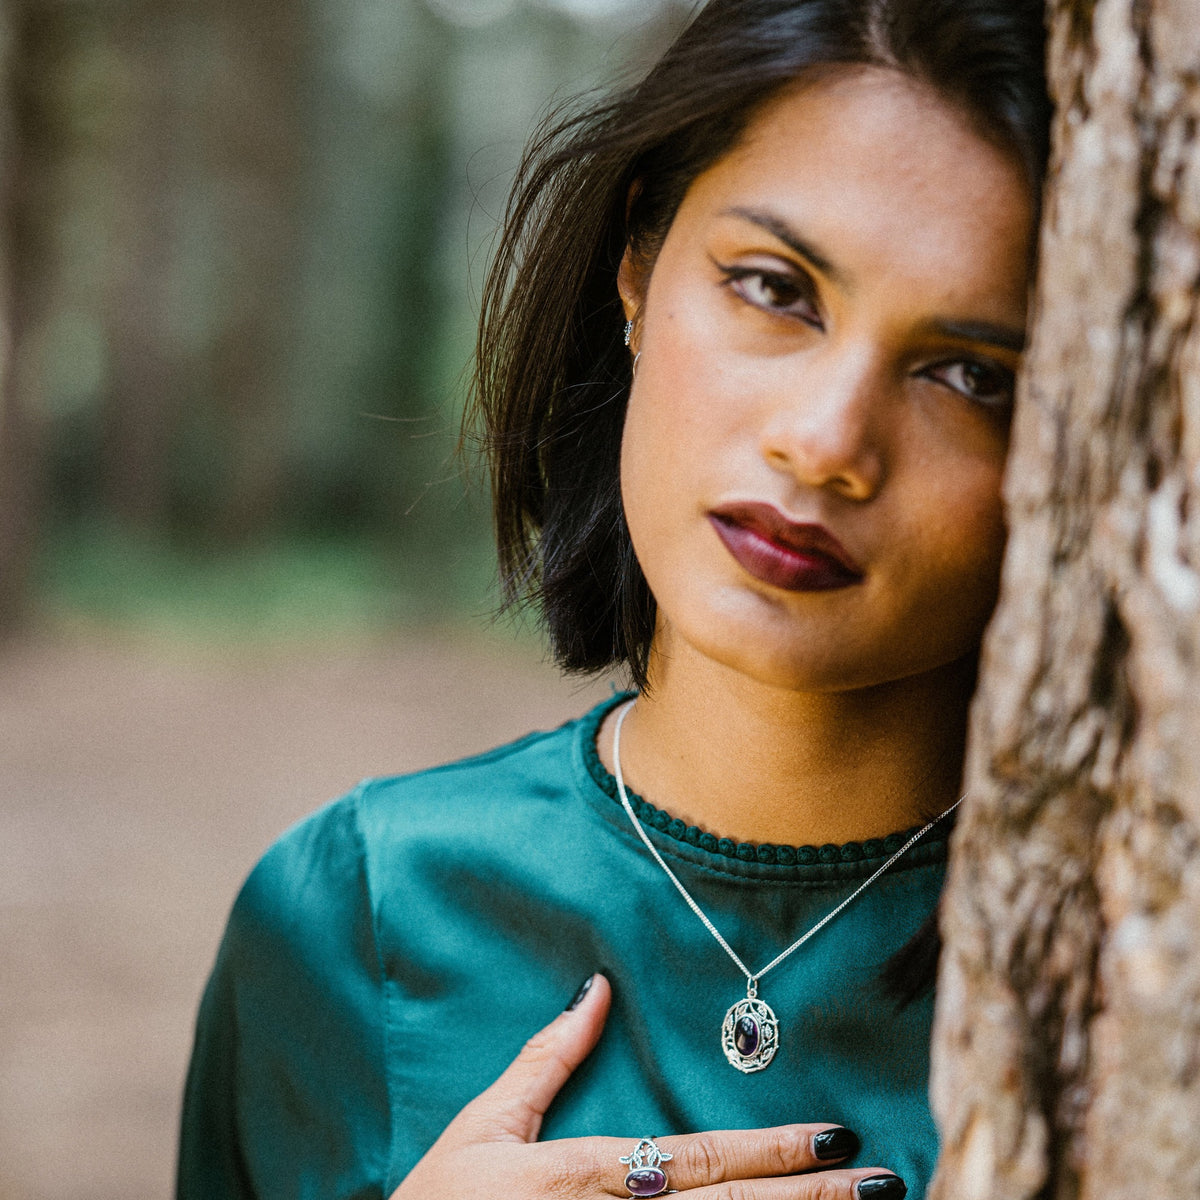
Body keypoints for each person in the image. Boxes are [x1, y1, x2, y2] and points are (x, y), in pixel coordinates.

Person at [177, 1, 1051, 1197]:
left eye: (969, 375)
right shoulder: (355, 917)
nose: (827, 441)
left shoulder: (1142, 964)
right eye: (775, 287)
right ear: (637, 267)